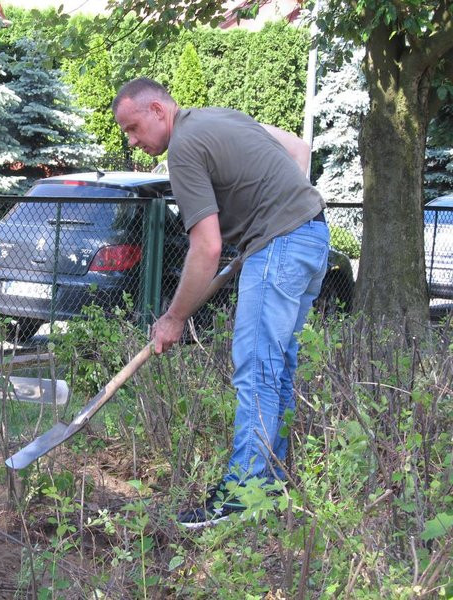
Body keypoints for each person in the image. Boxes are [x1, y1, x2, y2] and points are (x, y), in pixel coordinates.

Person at [112, 78, 329, 528]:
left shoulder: (184, 148)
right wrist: (274, 212)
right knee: (277, 368)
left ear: (157, 110)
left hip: (282, 246)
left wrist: (173, 319)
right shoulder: (220, 117)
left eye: (133, 128)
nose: (132, 141)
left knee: (256, 368)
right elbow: (298, 149)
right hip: (312, 237)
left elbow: (206, 248)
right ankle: (267, 484)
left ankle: (242, 494)